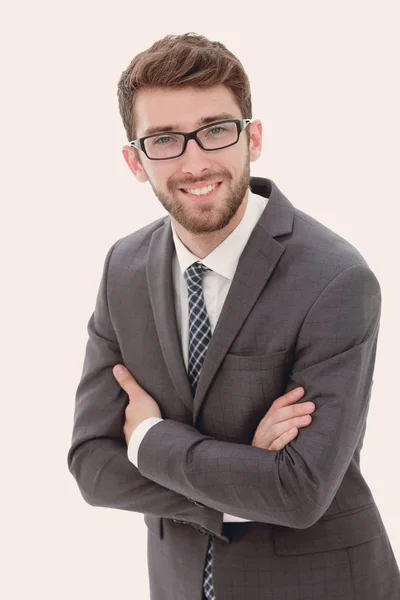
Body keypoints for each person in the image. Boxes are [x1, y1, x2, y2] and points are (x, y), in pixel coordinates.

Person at [67, 32, 400, 600]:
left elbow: (297, 493)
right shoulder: (123, 267)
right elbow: (93, 466)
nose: (195, 163)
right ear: (134, 161)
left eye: (216, 130)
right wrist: (246, 474)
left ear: (254, 138)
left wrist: (148, 440)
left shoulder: (336, 280)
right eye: (165, 140)